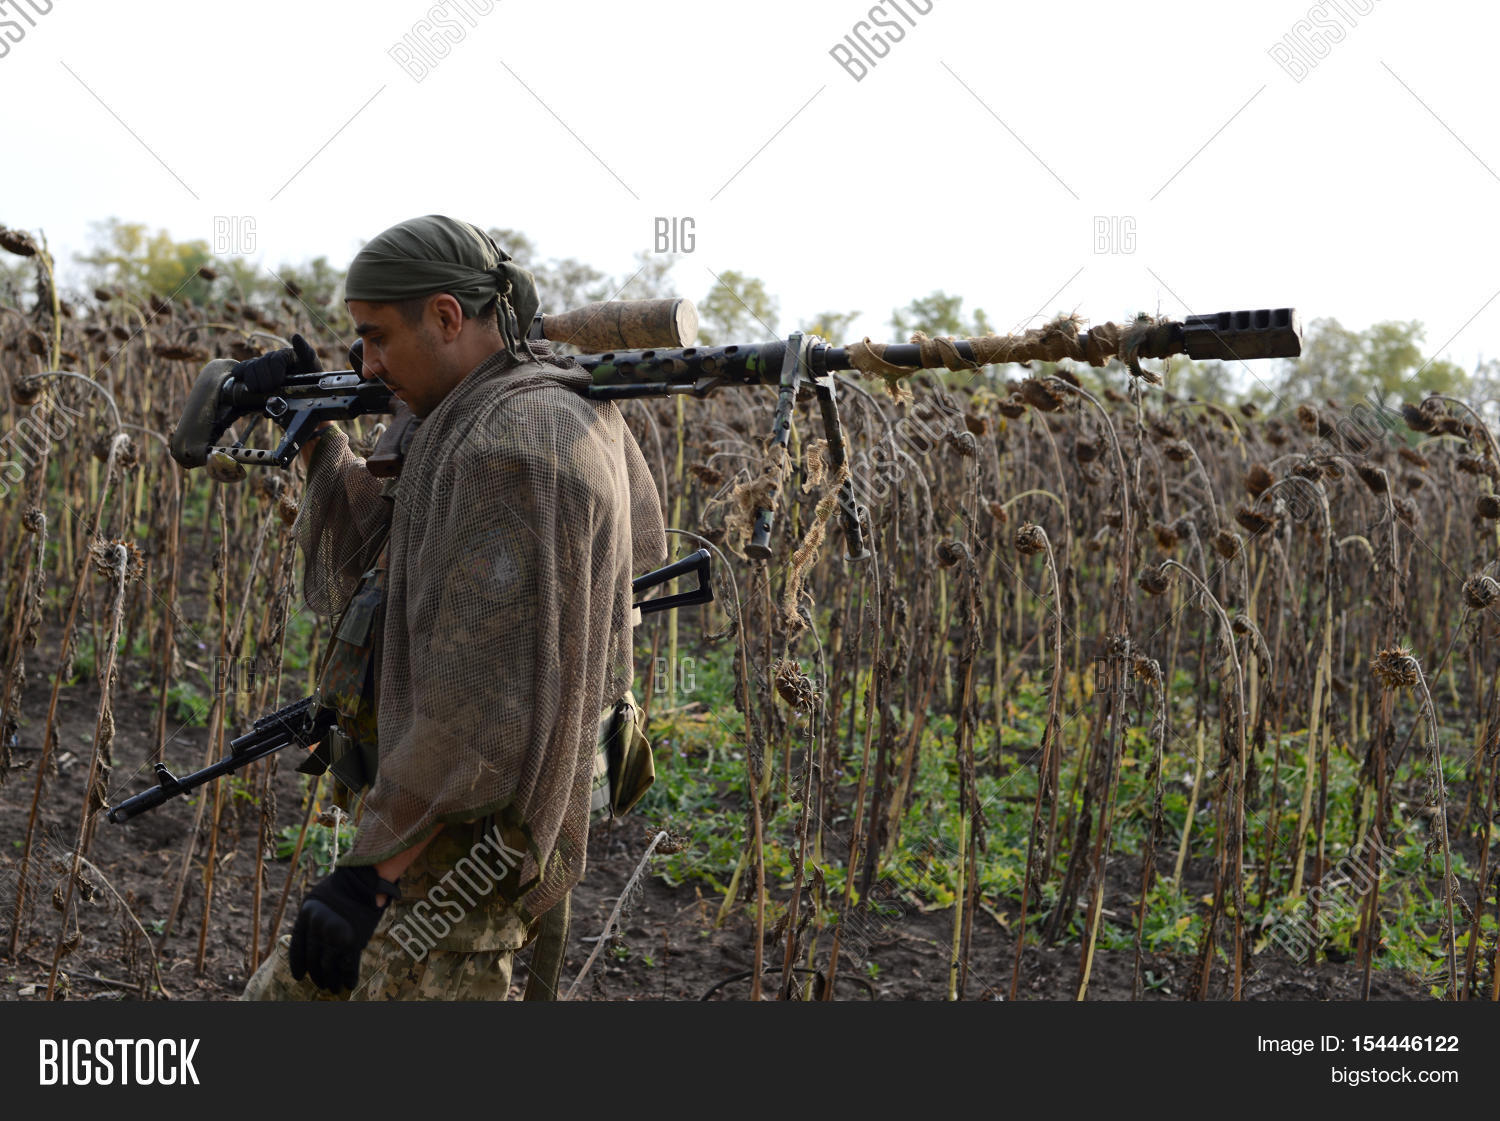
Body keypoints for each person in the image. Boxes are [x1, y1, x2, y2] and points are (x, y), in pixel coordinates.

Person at [239, 215, 665, 1000]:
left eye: (375, 337)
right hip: (466, 829)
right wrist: (313, 435)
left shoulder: (514, 445)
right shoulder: (504, 404)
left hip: (459, 846)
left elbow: (483, 705)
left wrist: (370, 878)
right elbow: (393, 549)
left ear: (445, 316)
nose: (365, 362)